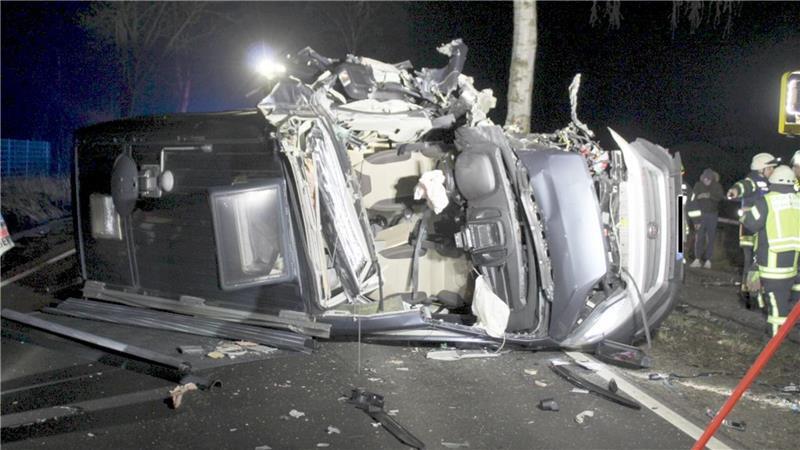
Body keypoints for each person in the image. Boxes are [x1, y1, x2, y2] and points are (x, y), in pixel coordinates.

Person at [740, 165, 800, 337]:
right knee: (788, 300)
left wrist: (743, 215)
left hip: (772, 263)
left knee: (776, 305)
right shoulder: (798, 200)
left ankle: (774, 342)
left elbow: (750, 223)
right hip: (793, 263)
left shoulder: (766, 201)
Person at [727, 153, 778, 308]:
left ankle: (754, 293)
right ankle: (749, 294)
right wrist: (735, 190)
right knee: (751, 262)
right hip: (750, 230)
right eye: (770, 168)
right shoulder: (754, 180)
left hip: (761, 230)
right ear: (761, 169)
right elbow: (744, 185)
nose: (772, 171)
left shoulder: (769, 183)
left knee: (758, 262)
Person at [687, 168, 724, 268]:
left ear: (712, 179)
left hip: (712, 215)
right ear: (702, 178)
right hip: (700, 215)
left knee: (711, 238)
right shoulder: (698, 185)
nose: (706, 181)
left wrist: (710, 196)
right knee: (699, 237)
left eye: (708, 179)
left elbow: (720, 197)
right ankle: (697, 259)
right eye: (705, 179)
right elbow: (692, 200)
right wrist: (698, 197)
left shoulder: (717, 186)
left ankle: (708, 260)